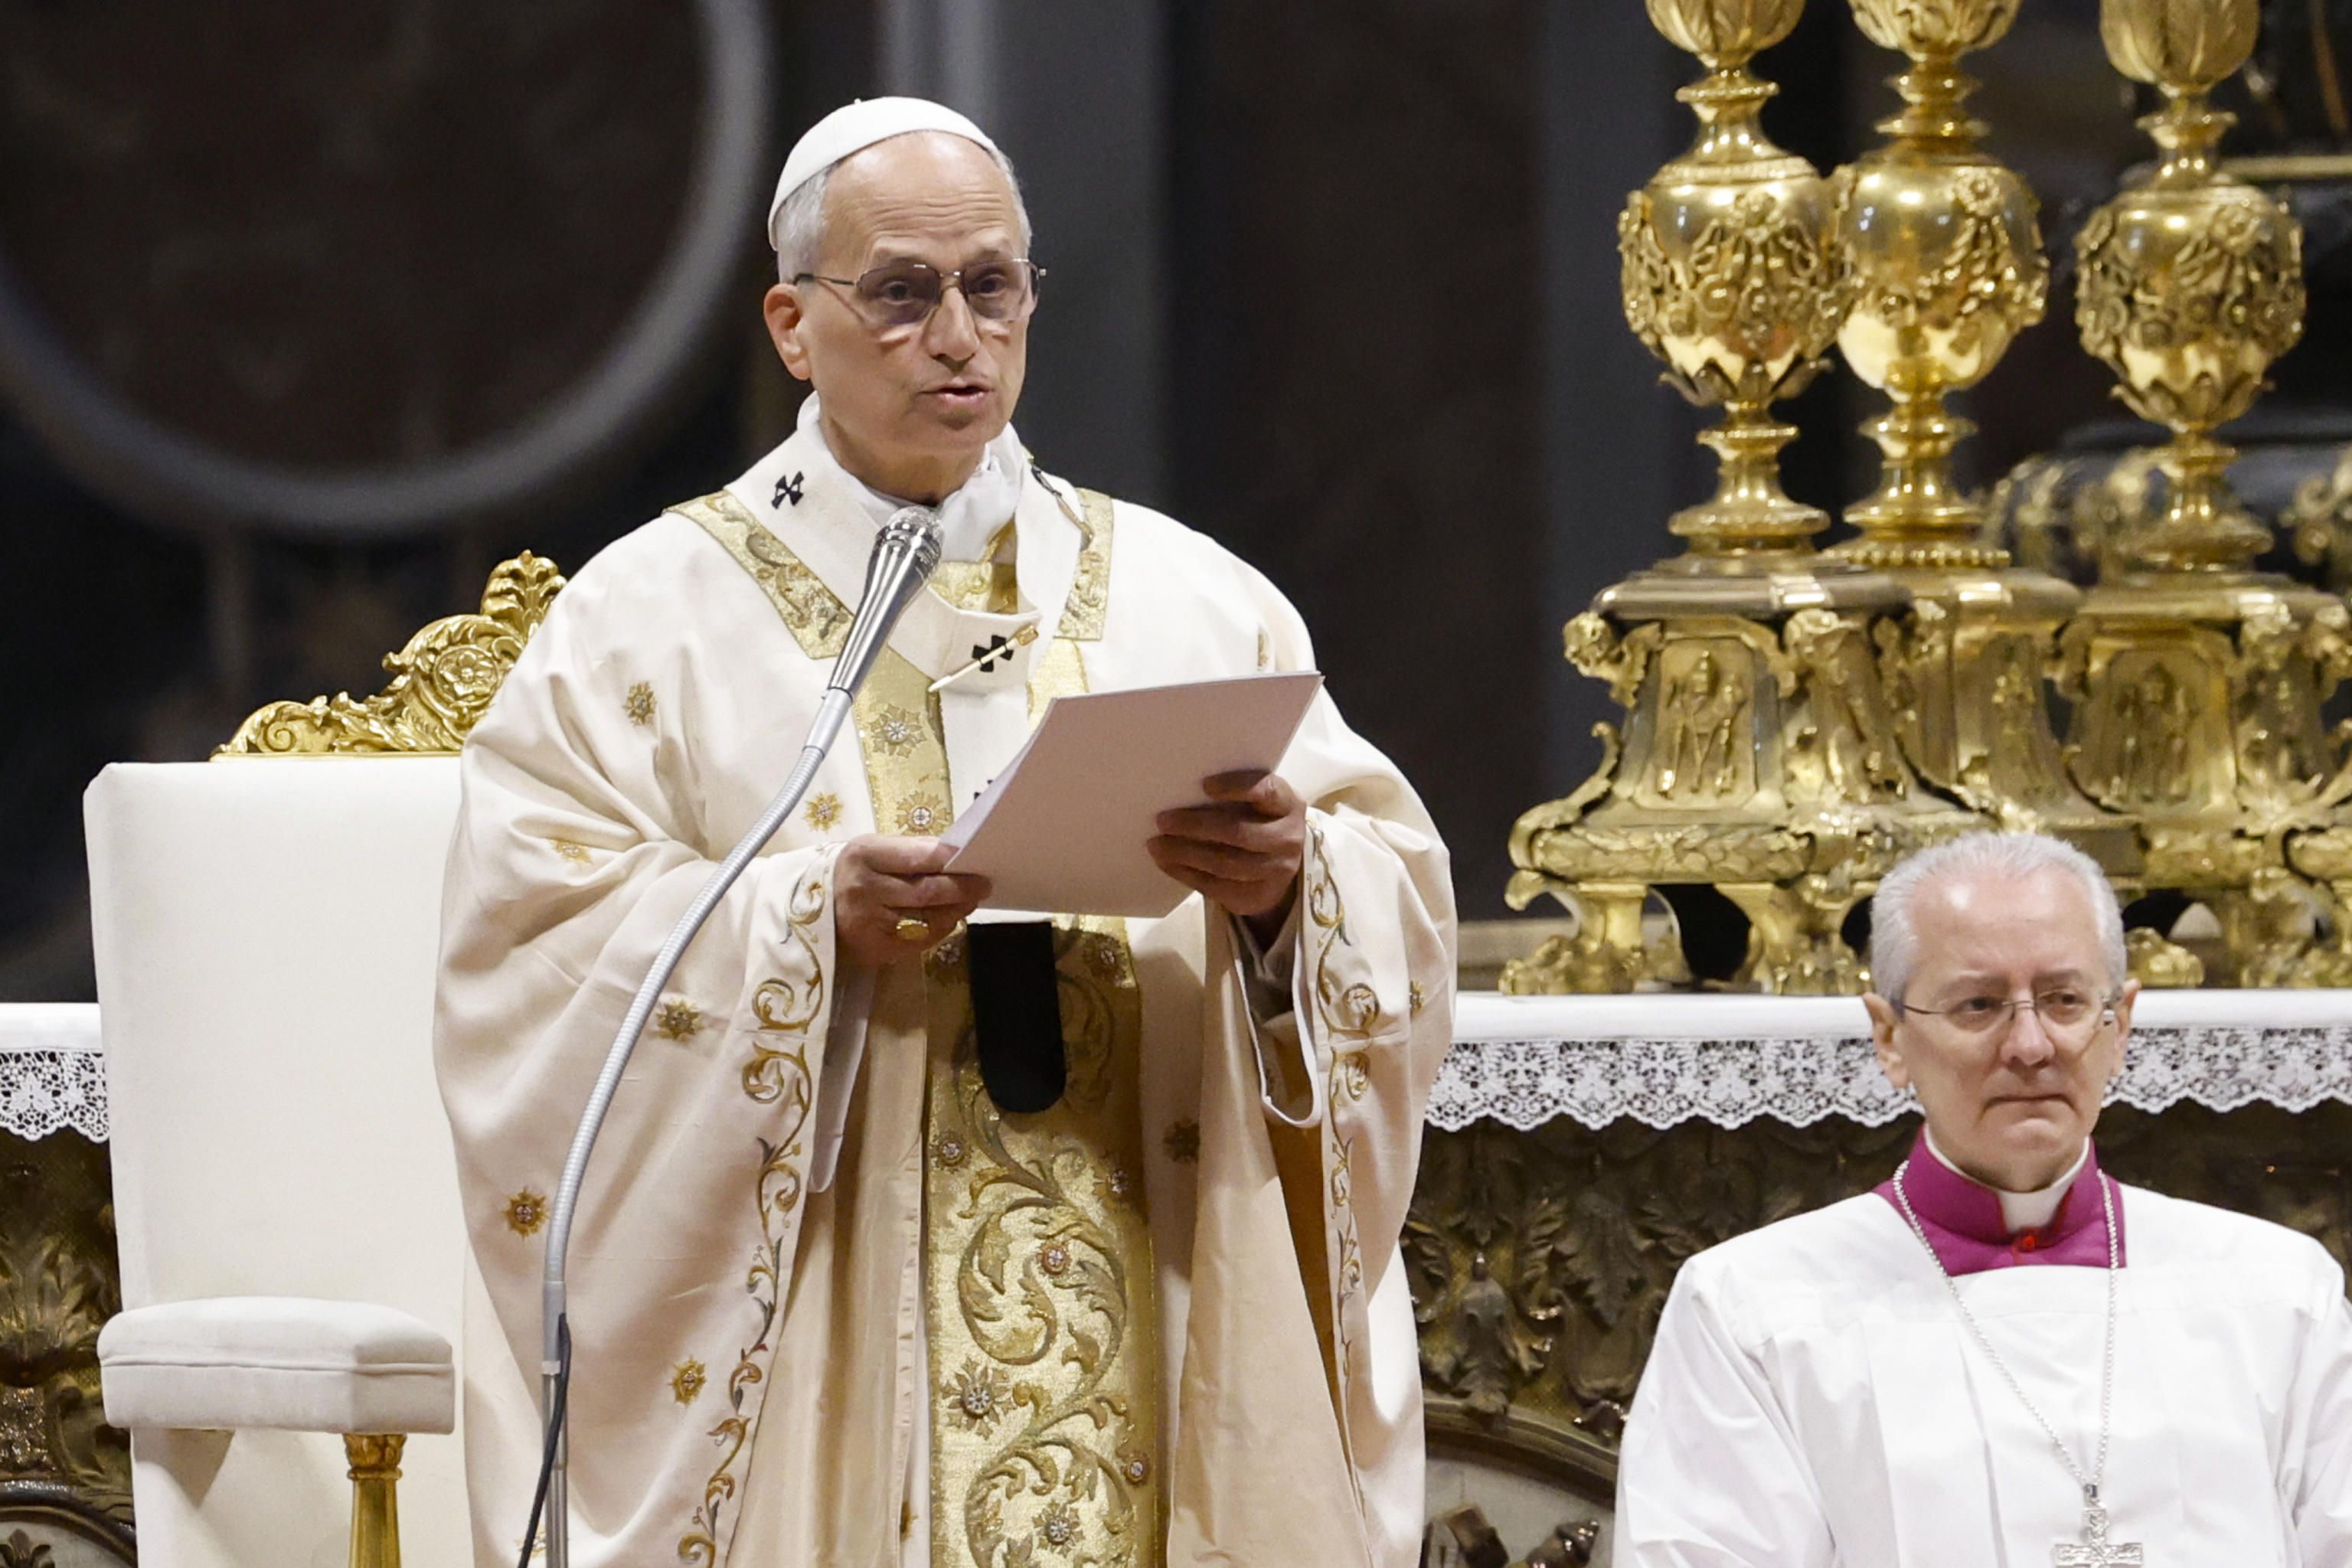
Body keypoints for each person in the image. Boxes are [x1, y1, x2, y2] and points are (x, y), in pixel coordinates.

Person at [433, 96, 1454, 1568]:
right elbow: (526, 941)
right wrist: (797, 923)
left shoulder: (1190, 597)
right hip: (823, 1330)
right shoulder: (645, 618)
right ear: (793, 323)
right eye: (901, 293)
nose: (959, 337)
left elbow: (1384, 872)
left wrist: (1292, 893)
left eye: (993, 285)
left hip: (1138, 1242)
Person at [1613, 831, 2352, 1565]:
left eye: (2064, 1000)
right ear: (1890, 1037)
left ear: (2118, 1025)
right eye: (1978, 1004)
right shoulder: (1752, 1313)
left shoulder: (2280, 1293)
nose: (2030, 1044)